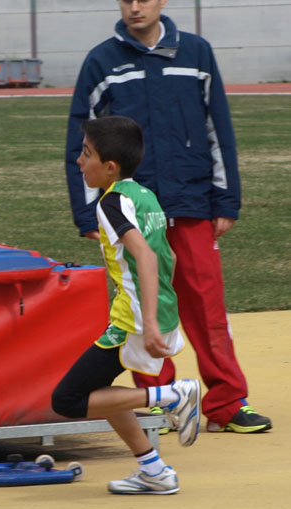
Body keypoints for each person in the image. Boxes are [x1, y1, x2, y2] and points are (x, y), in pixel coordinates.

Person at [64, 0, 271, 434]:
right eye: (127, 0)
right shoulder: (102, 60)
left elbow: (219, 130)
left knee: (206, 307)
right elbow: (82, 140)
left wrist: (225, 199)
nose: (135, 7)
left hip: (191, 201)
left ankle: (227, 403)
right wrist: (87, 209)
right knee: (143, 303)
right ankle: (161, 400)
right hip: (134, 207)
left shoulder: (196, 53)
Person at [53, 115, 200, 494]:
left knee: (68, 399)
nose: (78, 161)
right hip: (154, 309)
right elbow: (166, 257)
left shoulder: (111, 202)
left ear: (110, 167)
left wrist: (147, 321)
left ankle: (172, 395)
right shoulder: (144, 195)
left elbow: (147, 257)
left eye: (86, 154)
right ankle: (153, 470)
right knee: (103, 390)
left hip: (134, 319)